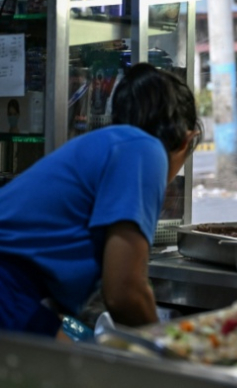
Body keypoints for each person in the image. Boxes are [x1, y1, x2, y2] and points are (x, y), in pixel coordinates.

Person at [0, 63, 202, 338]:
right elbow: (124, 292)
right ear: (187, 140)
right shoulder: (146, 149)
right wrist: (171, 352)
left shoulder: (111, 143)